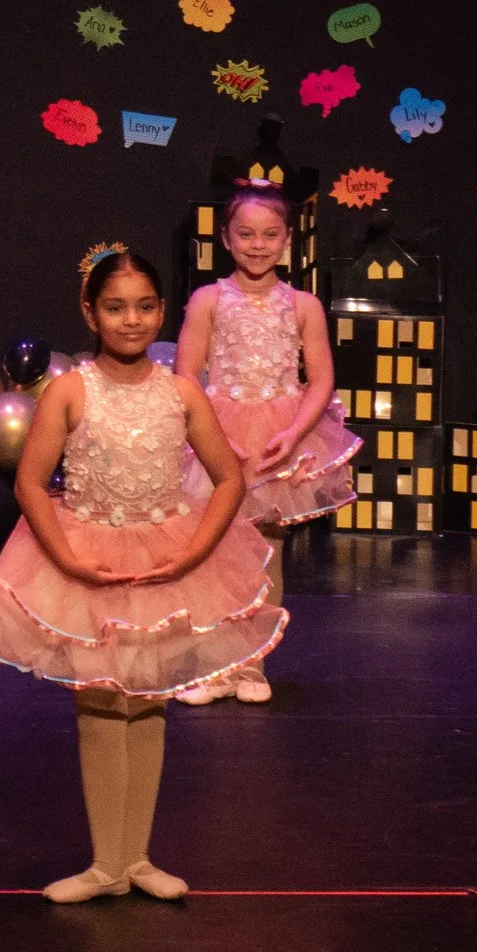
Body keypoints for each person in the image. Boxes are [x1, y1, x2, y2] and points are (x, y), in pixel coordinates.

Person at [0, 247, 286, 902]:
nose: (131, 320)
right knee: (103, 698)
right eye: (115, 306)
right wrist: (66, 556)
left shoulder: (182, 391)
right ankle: (105, 861)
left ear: (161, 310)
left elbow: (229, 478)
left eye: (143, 306)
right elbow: (29, 481)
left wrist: (193, 553)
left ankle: (136, 857)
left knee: (151, 696)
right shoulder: (71, 389)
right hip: (91, 555)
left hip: (165, 557)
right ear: (90, 312)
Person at [172, 180, 355, 705]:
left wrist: (294, 433)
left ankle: (252, 666)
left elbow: (320, 379)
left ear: (287, 240)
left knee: (265, 554)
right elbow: (186, 374)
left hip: (278, 437)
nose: (257, 244)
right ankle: (213, 666)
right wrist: (215, 438)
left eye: (269, 234)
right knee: (212, 552)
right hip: (218, 435)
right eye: (245, 233)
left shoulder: (303, 305)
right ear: (227, 239)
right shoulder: (208, 300)